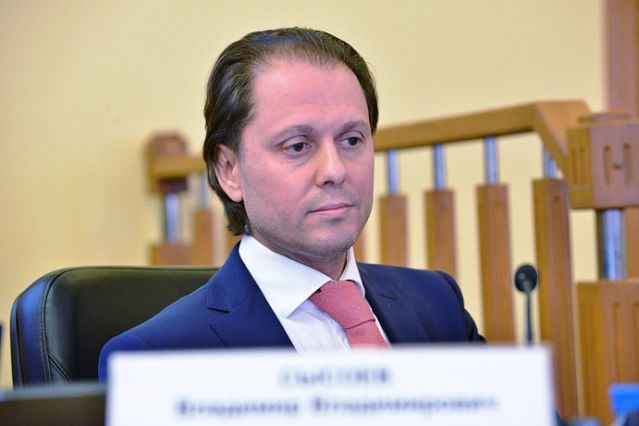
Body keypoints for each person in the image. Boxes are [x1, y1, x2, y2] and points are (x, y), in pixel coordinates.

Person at [98, 27, 484, 381]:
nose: (334, 170)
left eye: (352, 140)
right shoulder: (158, 358)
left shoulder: (437, 304)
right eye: (297, 146)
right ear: (230, 170)